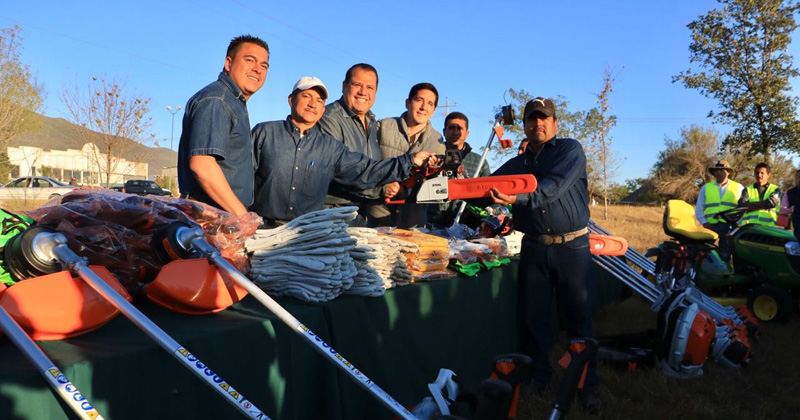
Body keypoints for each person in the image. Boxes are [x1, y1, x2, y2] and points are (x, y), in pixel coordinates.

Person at [477, 97, 601, 413]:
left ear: (555, 123)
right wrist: (456, 186)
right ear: (525, 126)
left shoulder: (570, 150)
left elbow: (551, 187)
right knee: (533, 320)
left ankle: (586, 386)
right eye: (532, 119)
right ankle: (537, 379)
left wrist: (515, 199)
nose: (538, 123)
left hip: (573, 248)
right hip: (534, 247)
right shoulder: (517, 164)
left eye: (544, 118)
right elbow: (484, 189)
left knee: (579, 320)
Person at [250, 77, 439, 225]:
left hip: (307, 234)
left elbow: (365, 170)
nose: (312, 104)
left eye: (319, 100)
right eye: (306, 96)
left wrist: (409, 161)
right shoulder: (265, 132)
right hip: (263, 230)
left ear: (323, 109)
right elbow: (243, 177)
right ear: (291, 100)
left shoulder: (330, 147)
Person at [177, 35, 270, 215]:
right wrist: (242, 216)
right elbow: (202, 165)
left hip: (223, 214)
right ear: (228, 63)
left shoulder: (234, 102)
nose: (258, 69)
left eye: (264, 65)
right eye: (249, 60)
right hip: (210, 216)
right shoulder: (217, 100)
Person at [372, 82, 446, 227]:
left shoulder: (437, 141)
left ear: (434, 110)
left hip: (413, 221)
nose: (423, 107)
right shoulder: (383, 127)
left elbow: (435, 184)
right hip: (377, 216)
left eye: (430, 104)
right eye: (419, 100)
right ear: (407, 103)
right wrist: (383, 186)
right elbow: (366, 165)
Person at [317, 64, 383, 225]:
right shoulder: (329, 118)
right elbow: (342, 169)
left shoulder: (373, 123)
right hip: (332, 213)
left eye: (369, 87)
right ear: (344, 86)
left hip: (360, 212)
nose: (363, 92)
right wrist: (383, 186)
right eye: (357, 85)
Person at [430, 112, 490, 226]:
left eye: (460, 128)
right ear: (444, 131)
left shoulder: (479, 162)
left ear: (467, 133)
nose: (455, 132)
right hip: (430, 223)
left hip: (465, 225)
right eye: (451, 128)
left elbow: (487, 193)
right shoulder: (432, 156)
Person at [694, 159, 744, 260]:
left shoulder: (739, 187)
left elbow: (743, 208)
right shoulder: (706, 188)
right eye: (717, 170)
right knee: (703, 254)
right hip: (710, 226)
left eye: (722, 170)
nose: (719, 172)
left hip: (729, 227)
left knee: (725, 255)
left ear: (728, 172)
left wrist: (738, 224)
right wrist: (704, 222)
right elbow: (699, 207)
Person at [781, 169, 800, 239]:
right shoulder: (789, 193)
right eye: (799, 177)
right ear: (796, 179)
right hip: (794, 230)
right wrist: (793, 209)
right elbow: (782, 209)